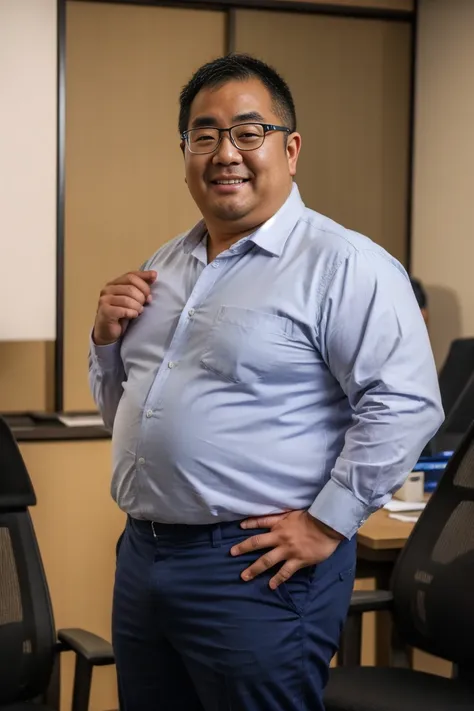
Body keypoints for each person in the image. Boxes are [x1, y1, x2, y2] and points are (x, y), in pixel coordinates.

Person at [89, 54, 444, 711]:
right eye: (205, 135)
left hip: (254, 567)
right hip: (144, 555)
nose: (226, 153)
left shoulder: (343, 264)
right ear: (186, 151)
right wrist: (106, 344)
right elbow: (125, 414)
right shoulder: (164, 263)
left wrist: (327, 521)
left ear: (291, 148)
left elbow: (407, 404)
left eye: (248, 133)